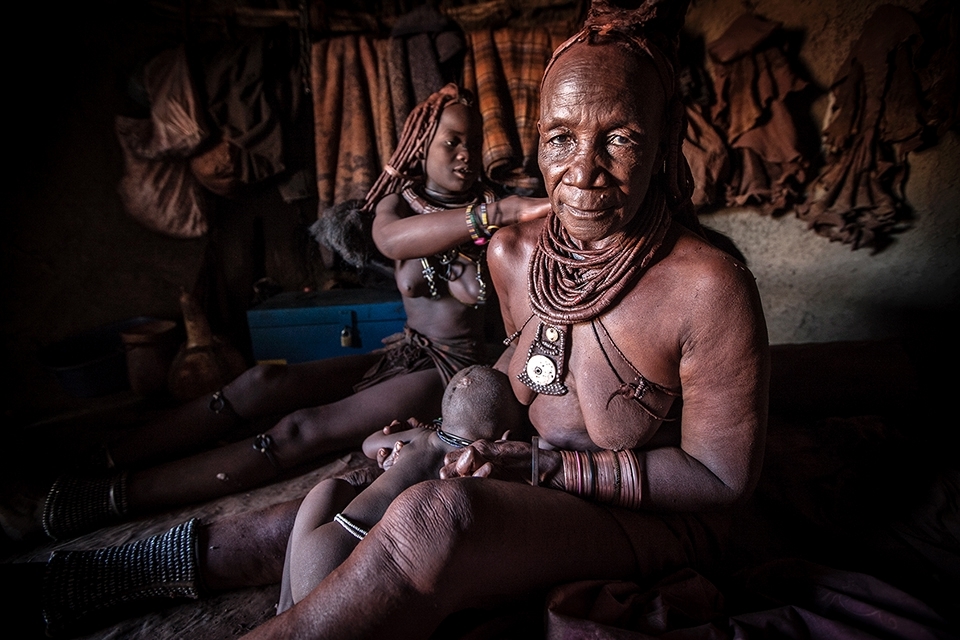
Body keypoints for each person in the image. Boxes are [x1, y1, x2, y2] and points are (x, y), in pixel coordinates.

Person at [238, 0, 769, 637]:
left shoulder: (710, 287)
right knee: (327, 514)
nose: (583, 171)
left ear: (662, 142)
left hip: (656, 522)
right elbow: (530, 374)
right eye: (561, 138)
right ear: (538, 138)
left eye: (620, 137)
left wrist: (541, 468)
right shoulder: (517, 253)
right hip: (537, 477)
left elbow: (720, 479)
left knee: (439, 522)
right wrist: (447, 436)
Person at [3, 83, 549, 545]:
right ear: (418, 147)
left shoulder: (502, 216)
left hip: (446, 372)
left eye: (473, 142)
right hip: (406, 350)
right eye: (452, 142)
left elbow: (482, 292)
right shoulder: (406, 203)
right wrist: (491, 213)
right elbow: (390, 241)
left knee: (298, 430)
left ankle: (87, 504)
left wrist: (496, 218)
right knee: (261, 382)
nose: (465, 155)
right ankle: (96, 462)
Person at [278, 364, 525, 611]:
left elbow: (369, 445)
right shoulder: (478, 470)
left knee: (330, 487)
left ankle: (286, 605)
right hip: (382, 568)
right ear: (505, 438)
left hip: (326, 550)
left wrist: (400, 431)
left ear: (444, 415)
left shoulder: (418, 437)